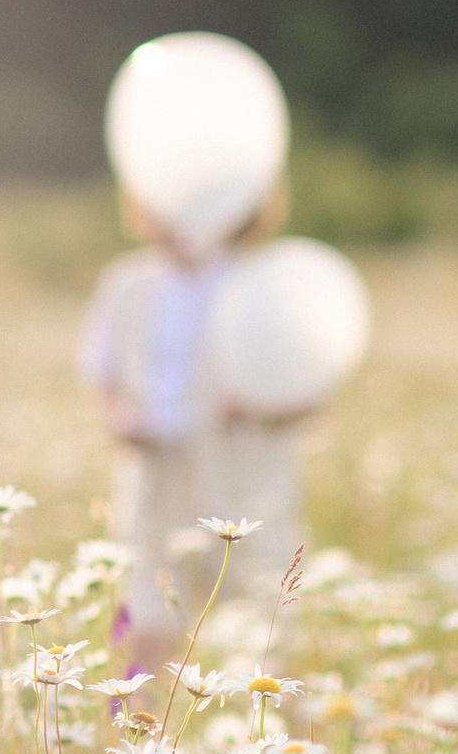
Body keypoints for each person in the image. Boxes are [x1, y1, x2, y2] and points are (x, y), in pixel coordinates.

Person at [80, 186, 311, 678]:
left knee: (259, 636)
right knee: (148, 619)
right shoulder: (128, 284)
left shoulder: (266, 285)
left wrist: (259, 409)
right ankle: (149, 745)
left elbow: (306, 395)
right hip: (154, 474)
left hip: (243, 479)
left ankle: (262, 747)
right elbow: (104, 378)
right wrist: (123, 422)